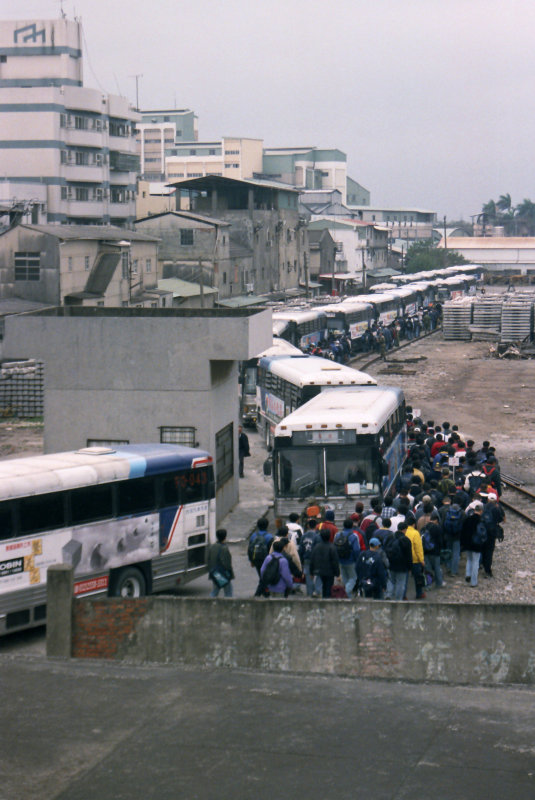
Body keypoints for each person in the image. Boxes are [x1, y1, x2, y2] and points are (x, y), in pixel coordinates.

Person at [310, 527, 340, 598]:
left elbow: (312, 559)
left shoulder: (316, 547)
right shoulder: (332, 547)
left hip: (319, 570)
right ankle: (327, 600)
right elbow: (335, 561)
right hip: (330, 572)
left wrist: (311, 572)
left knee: (323, 587)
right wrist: (337, 573)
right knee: (329, 587)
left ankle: (324, 599)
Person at [333, 518, 361, 596]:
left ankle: (347, 595)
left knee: (345, 578)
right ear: (352, 525)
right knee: (353, 578)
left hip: (340, 560)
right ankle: (345, 592)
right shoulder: (354, 536)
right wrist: (357, 560)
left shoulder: (337, 535)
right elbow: (356, 550)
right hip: (350, 560)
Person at [247, 518, 274, 597]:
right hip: (266, 561)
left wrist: (251, 560)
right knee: (264, 578)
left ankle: (265, 593)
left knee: (262, 576)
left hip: (256, 560)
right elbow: (271, 551)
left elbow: (249, 549)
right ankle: (258, 594)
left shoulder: (253, 536)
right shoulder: (269, 537)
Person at [207, 528, 234, 598]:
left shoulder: (212, 547)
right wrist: (230, 574)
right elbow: (227, 564)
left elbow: (208, 559)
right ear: (225, 537)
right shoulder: (224, 548)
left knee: (215, 590)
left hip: (214, 572)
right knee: (228, 592)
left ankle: (208, 603)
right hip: (223, 573)